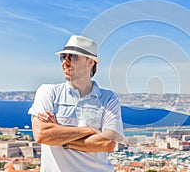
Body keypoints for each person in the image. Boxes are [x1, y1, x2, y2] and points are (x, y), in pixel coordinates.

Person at [28, 35, 124, 172]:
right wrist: (90, 131)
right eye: (63, 57)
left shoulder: (108, 98)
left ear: (90, 62)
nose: (65, 62)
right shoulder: (47, 92)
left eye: (73, 57)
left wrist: (60, 138)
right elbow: (42, 134)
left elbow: (107, 143)